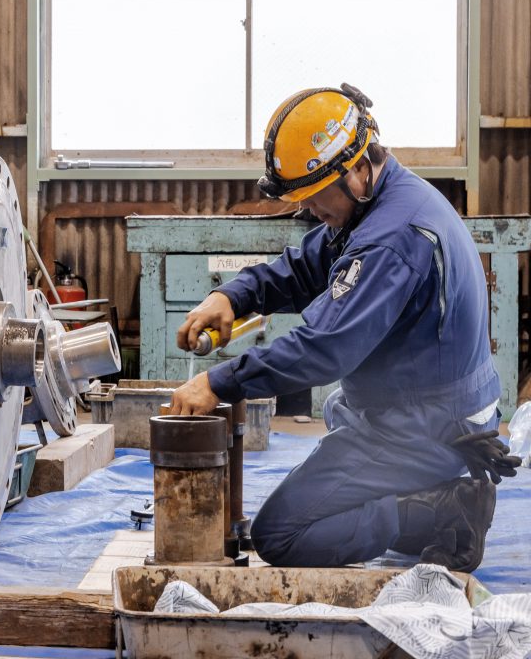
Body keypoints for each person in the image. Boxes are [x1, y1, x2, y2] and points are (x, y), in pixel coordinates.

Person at [169, 84, 519, 572]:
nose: (309, 212)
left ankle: (437, 512)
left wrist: (218, 383)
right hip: (439, 405)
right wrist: (231, 294)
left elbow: (323, 349)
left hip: (427, 424)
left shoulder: (390, 239)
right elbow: (308, 267)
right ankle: (426, 489)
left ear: (356, 171)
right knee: (339, 407)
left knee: (281, 534)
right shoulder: (383, 199)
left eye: (313, 198)